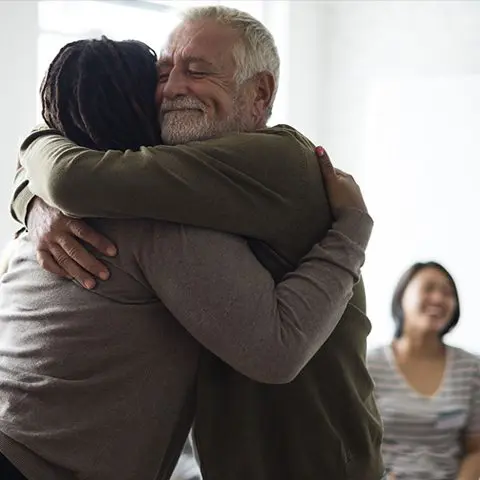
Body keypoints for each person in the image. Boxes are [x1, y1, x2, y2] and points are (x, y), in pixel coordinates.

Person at [11, 6, 384, 479]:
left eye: (198, 71)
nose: (172, 89)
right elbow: (80, 180)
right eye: (164, 73)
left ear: (261, 92)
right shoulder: (183, 182)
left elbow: (71, 178)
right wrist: (30, 202)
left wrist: (33, 154)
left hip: (321, 462)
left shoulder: (281, 162)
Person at [368, 262, 480, 480]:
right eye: (428, 288)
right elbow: (353, 445)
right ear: (402, 297)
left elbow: (476, 449)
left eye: (447, 293)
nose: (438, 299)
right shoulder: (368, 365)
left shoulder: (471, 368)